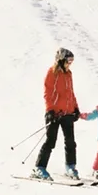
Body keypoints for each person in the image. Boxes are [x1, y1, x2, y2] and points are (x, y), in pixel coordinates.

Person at [32, 47, 81, 180]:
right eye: (68, 61)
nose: (70, 64)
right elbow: (48, 93)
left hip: (67, 113)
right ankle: (39, 167)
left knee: (70, 142)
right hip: (54, 113)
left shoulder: (68, 74)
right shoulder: (52, 73)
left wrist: (75, 108)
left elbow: (71, 93)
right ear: (60, 60)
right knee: (50, 141)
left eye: (72, 61)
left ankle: (70, 167)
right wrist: (50, 110)